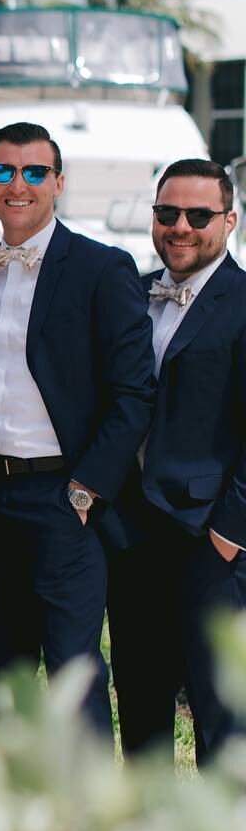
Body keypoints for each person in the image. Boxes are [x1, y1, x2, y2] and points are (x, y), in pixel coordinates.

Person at [0, 121, 154, 735]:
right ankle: (14, 813)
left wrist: (87, 489)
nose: (19, 184)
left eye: (35, 171)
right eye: (5, 171)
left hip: (67, 499)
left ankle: (88, 822)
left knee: (75, 672)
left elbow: (133, 392)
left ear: (57, 183)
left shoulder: (102, 268)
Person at [108, 158, 246, 763]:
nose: (181, 226)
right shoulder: (131, 293)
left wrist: (228, 534)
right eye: (168, 213)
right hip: (131, 536)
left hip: (209, 542)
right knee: (139, 705)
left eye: (198, 215)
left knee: (224, 716)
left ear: (231, 220)